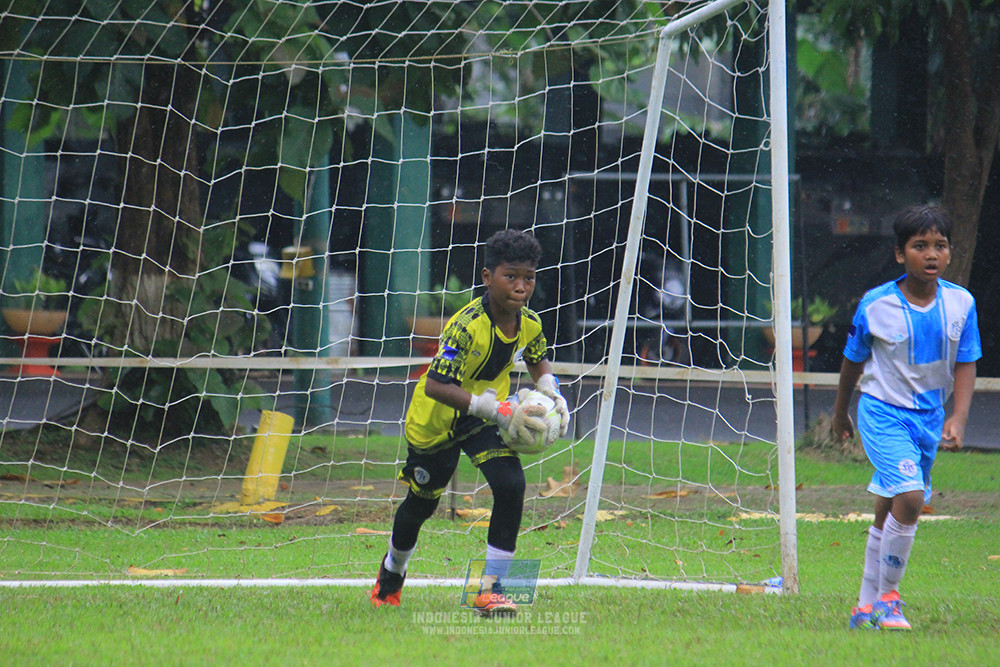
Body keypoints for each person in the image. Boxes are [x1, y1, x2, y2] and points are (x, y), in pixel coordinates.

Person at [370, 229, 570, 616]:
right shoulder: (466, 326)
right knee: (420, 506)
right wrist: (493, 409)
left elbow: (537, 356)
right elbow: (435, 385)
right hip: (437, 421)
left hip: (485, 417)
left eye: (528, 277)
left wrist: (550, 388)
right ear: (486, 276)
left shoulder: (529, 322)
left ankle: (492, 589)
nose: (520, 286)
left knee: (511, 484)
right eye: (510, 276)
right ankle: (391, 574)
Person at [832, 204, 981, 631]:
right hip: (881, 412)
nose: (931, 254)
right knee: (912, 499)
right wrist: (841, 412)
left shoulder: (961, 304)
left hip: (929, 418)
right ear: (900, 254)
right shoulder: (876, 305)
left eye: (940, 246)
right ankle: (888, 601)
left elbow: (966, 362)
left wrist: (959, 416)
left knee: (889, 506)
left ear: (950, 253)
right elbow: (852, 361)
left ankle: (864, 606)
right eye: (920, 246)